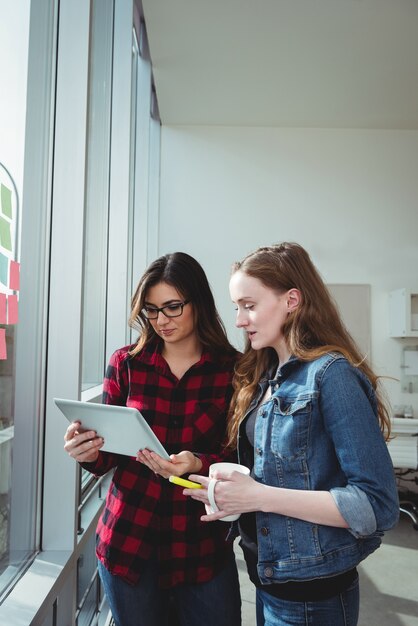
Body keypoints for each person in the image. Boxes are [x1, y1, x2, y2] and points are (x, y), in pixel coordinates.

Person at [185, 242, 399, 626]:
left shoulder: (332, 376)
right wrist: (231, 488)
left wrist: (259, 496)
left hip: (314, 598)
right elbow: (285, 473)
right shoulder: (264, 376)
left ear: (291, 300)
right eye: (237, 307)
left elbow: (376, 505)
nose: (238, 319)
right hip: (269, 583)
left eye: (248, 305)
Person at [63, 252, 241, 626]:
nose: (161, 320)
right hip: (130, 542)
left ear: (199, 303)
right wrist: (86, 452)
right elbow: (108, 456)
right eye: (151, 310)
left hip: (202, 548)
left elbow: (241, 455)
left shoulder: (235, 370)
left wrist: (198, 463)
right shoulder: (126, 363)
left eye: (173, 307)